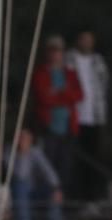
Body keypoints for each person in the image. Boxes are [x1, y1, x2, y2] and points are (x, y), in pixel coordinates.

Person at [32, 35, 83, 199]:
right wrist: (64, 96)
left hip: (68, 127)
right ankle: (46, 201)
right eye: (52, 51)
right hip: (49, 128)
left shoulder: (69, 73)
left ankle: (63, 202)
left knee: (66, 167)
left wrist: (59, 93)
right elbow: (43, 97)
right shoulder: (41, 73)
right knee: (48, 166)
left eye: (59, 51)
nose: (55, 55)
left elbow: (79, 95)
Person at [65, 30, 110, 202]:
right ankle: (75, 195)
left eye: (89, 40)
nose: (86, 43)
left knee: (94, 157)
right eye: (83, 39)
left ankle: (92, 196)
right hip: (75, 116)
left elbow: (104, 83)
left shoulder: (98, 61)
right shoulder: (69, 58)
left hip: (95, 117)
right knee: (76, 158)